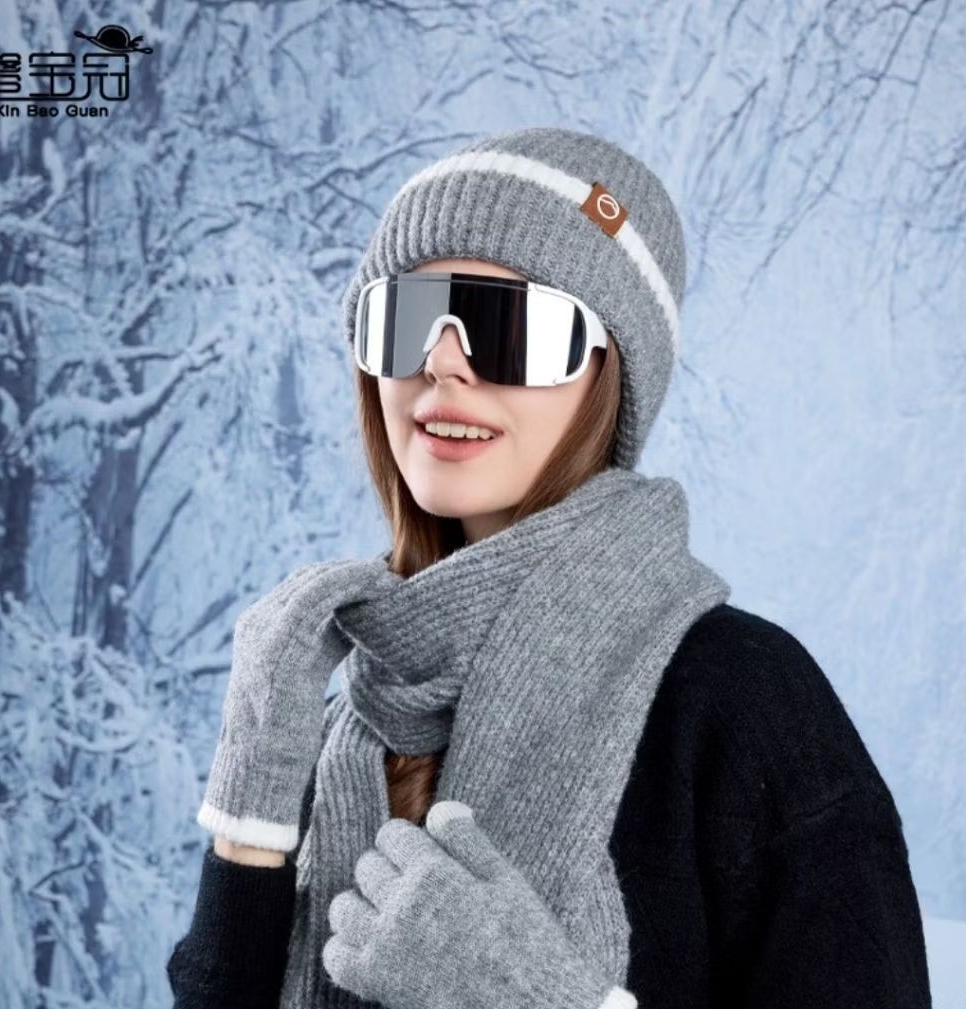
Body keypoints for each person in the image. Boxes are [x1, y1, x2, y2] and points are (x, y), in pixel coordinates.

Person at [166, 127, 933, 1009]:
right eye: (405, 319)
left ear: (610, 376)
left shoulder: (741, 699)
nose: (441, 361)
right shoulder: (348, 714)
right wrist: (251, 810)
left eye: (509, 328)